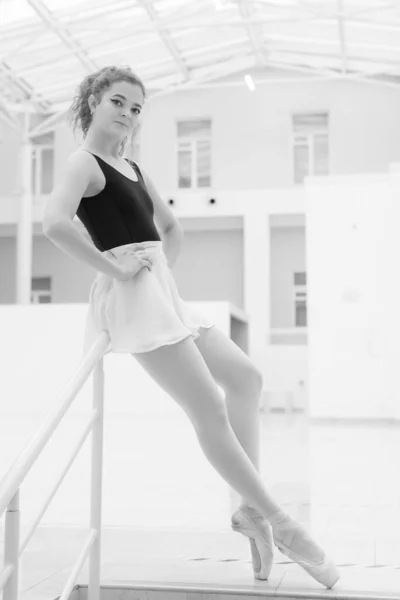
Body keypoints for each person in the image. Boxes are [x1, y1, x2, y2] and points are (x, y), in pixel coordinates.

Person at [43, 65, 339, 588]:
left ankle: (250, 510)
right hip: (133, 301)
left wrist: (160, 270)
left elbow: (172, 228)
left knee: (246, 378)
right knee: (210, 407)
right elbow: (54, 224)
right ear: (92, 101)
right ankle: (283, 523)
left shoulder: (132, 167)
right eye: (117, 102)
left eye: (136, 108)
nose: (128, 114)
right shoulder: (81, 164)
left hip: (162, 293)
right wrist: (116, 270)